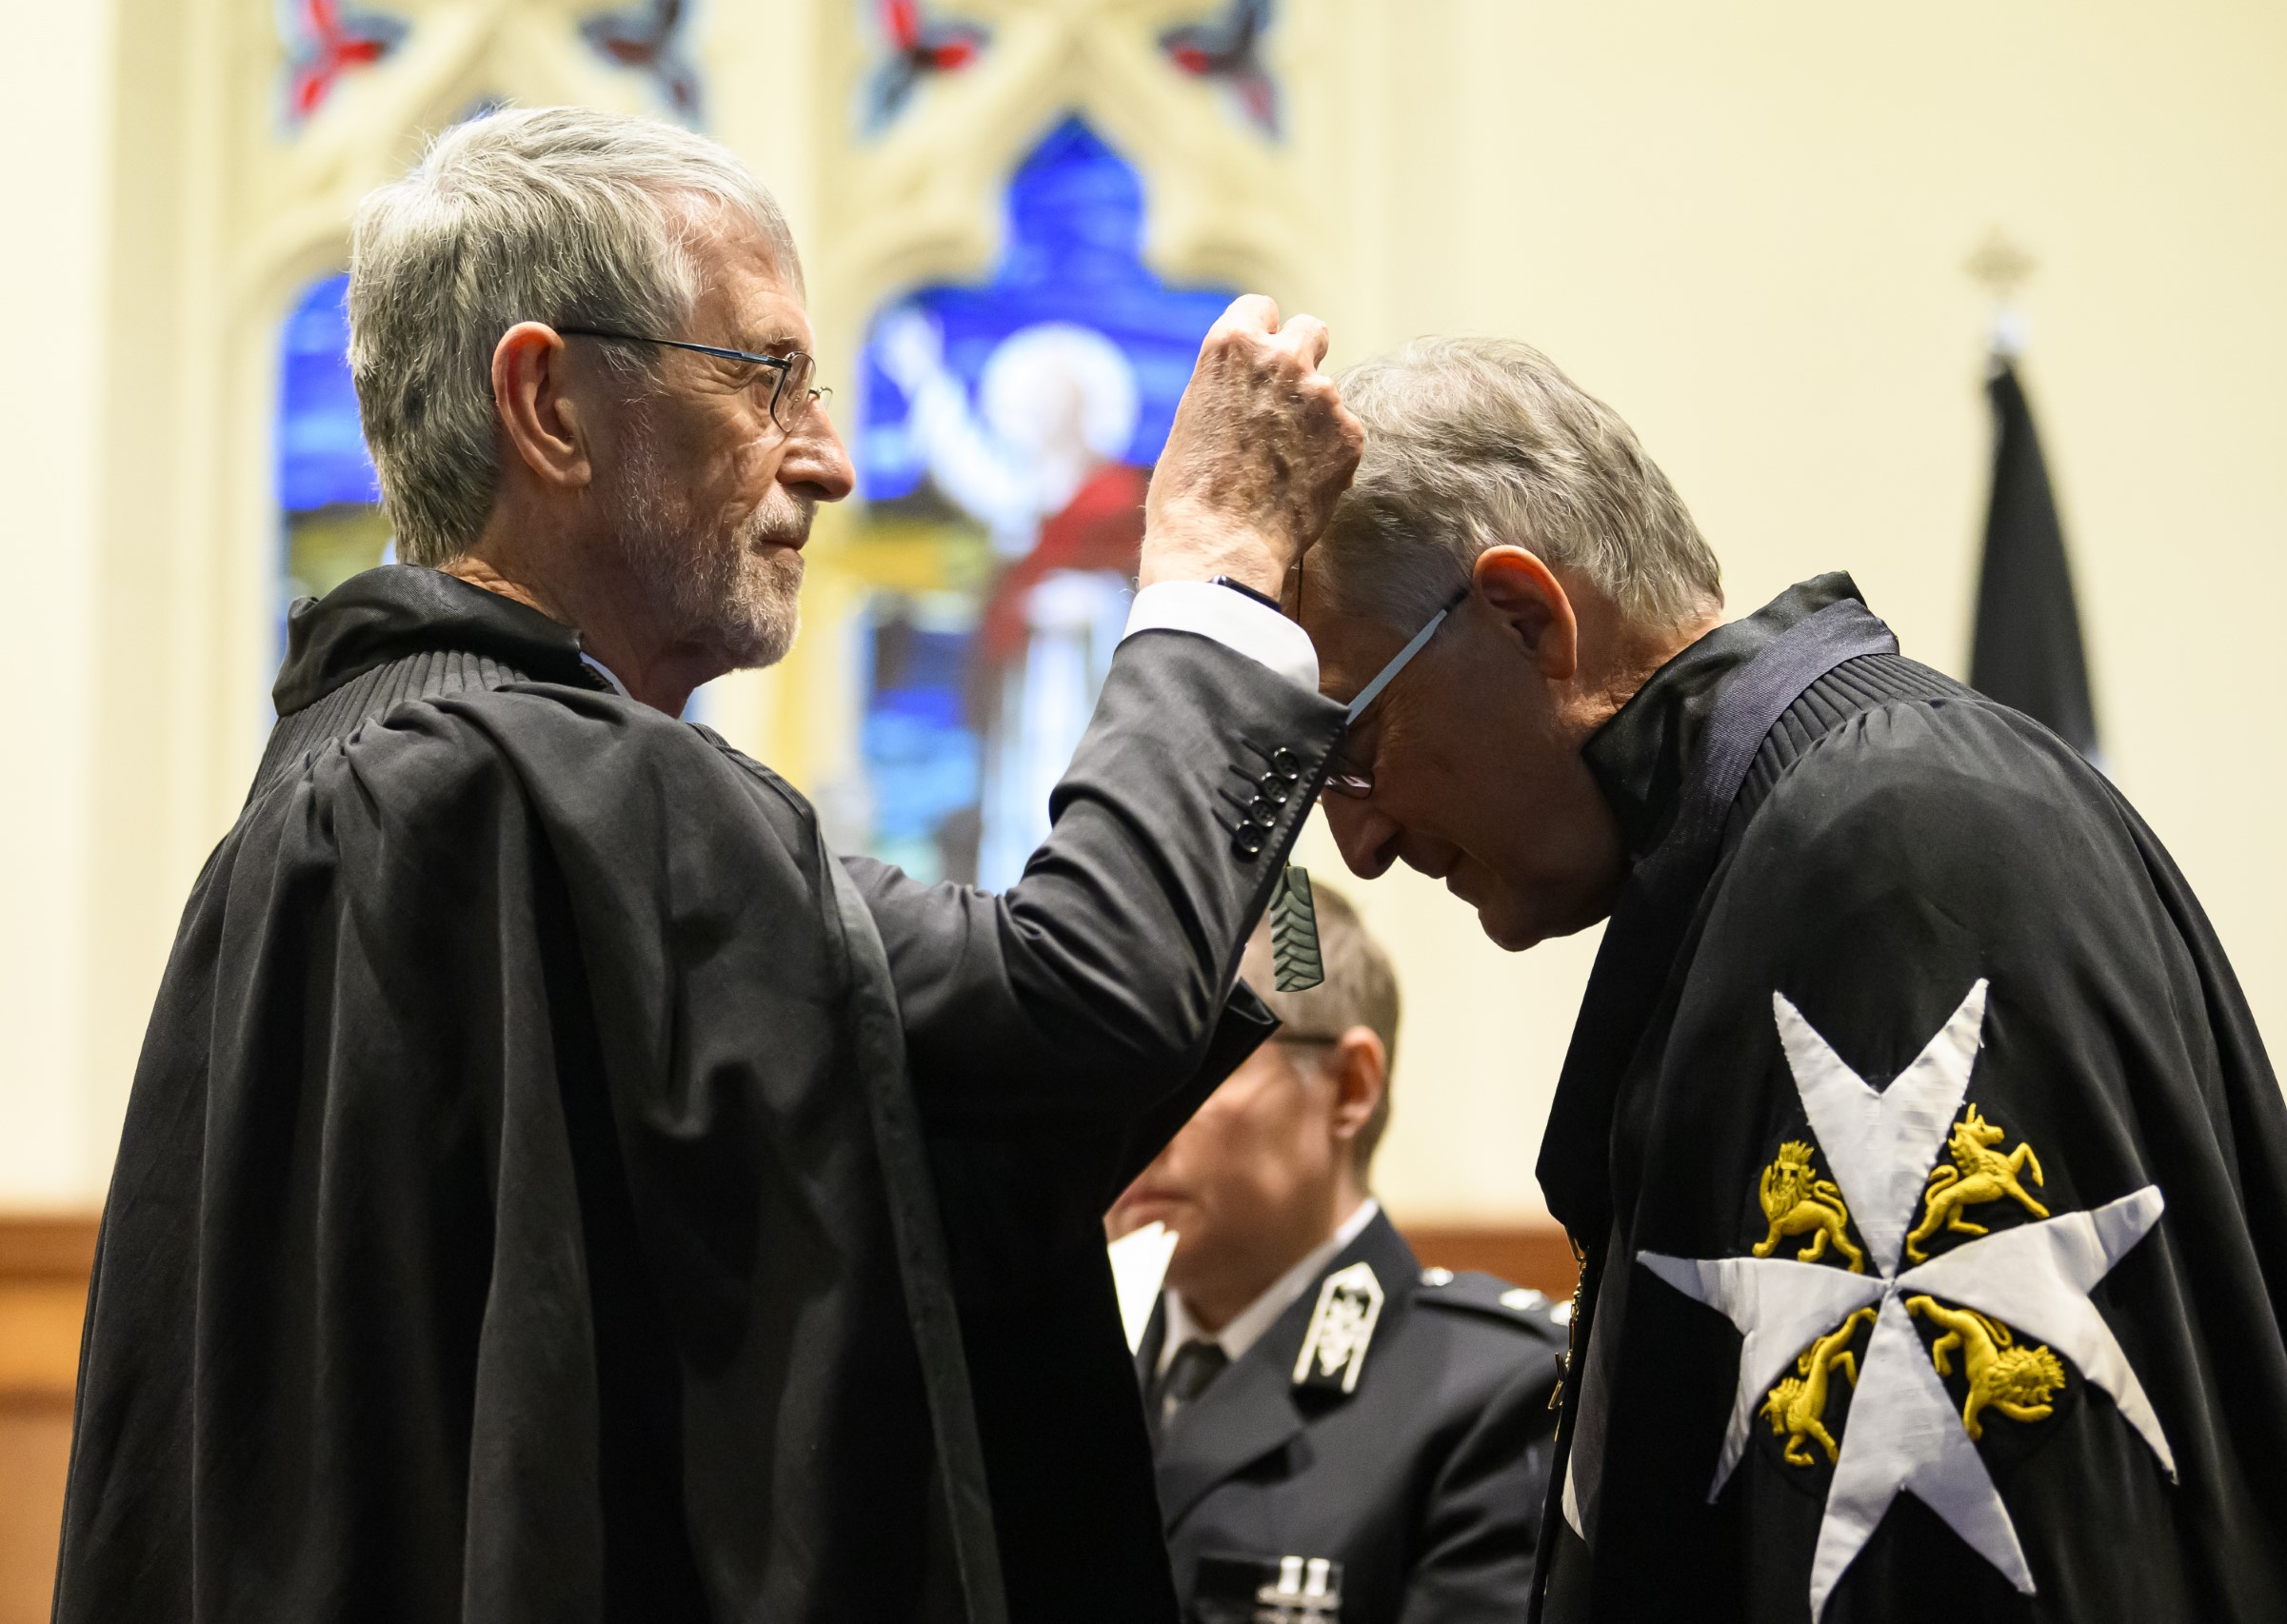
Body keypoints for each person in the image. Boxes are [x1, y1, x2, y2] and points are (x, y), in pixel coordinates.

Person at [52, 108, 1362, 1624]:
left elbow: (956, 1152)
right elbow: (1077, 1003)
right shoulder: (559, 787)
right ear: (548, 404)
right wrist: (1211, 570)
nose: (833, 457)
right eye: (767, 376)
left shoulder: (353, 782)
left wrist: (1255, 814)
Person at [1291, 335, 2287, 1622]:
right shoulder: (1779, 853)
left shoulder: (1892, 859)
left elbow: (1992, 1560)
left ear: (1528, 615)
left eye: (1353, 744)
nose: (1358, 840)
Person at [1107, 883, 1567, 1624]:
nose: (1130, 1124)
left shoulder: (1498, 1394)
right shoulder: (1062, 1375)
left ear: (1348, 1088)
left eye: (1190, 1067)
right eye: (1107, 1076)